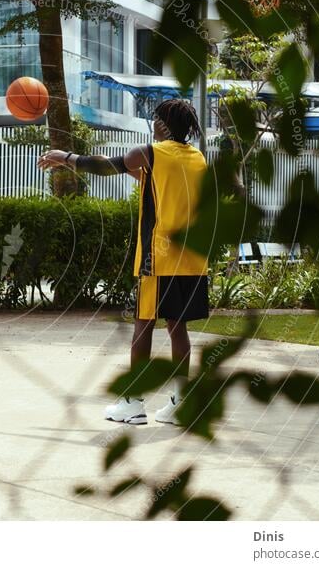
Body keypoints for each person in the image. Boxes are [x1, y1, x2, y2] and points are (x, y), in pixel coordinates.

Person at [37, 99, 208, 425]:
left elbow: (108, 165)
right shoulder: (196, 158)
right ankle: (182, 401)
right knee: (177, 327)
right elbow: (155, 183)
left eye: (156, 119)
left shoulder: (153, 152)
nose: (153, 123)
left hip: (158, 259)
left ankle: (132, 400)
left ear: (164, 124)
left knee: (143, 325)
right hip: (191, 259)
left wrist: (66, 157)